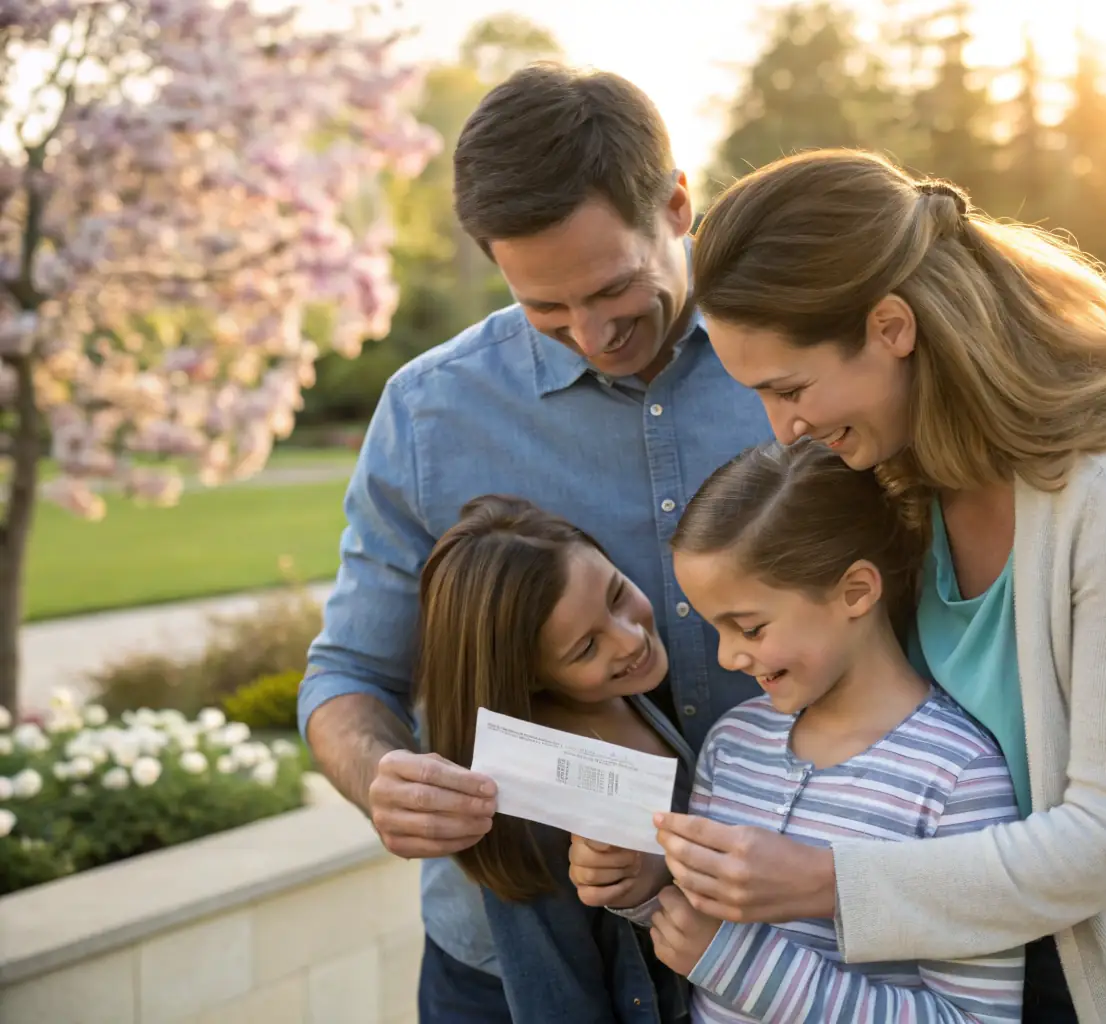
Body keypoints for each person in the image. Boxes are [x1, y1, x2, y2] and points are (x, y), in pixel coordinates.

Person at [649, 148, 1106, 1022]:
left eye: (790, 387)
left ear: (890, 327)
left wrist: (823, 883)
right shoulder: (902, 479)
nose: (784, 427)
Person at [297, 63, 772, 1022]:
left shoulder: (794, 366)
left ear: (677, 205)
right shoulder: (431, 414)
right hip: (508, 971)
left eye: (612, 289)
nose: (592, 333)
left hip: (768, 941)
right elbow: (346, 676)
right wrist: (381, 776)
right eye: (545, 310)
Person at [574, 438, 1025, 1023]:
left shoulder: (957, 776)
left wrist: (738, 967)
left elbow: (973, 1018)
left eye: (750, 628)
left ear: (855, 592)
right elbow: (705, 924)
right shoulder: (733, 743)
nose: (729, 657)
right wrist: (644, 883)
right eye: (717, 629)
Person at [414, 495, 692, 1022]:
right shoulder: (528, 805)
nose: (631, 639)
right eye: (586, 648)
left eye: (616, 595)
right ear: (530, 677)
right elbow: (556, 997)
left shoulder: (631, 694)